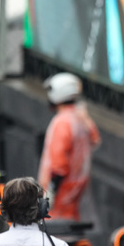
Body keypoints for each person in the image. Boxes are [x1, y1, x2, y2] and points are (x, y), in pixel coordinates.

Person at [38, 72, 101, 221]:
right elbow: (95, 140)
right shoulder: (80, 117)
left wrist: (51, 192)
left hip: (61, 194)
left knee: (57, 235)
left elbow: (59, 164)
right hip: (76, 189)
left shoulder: (62, 122)